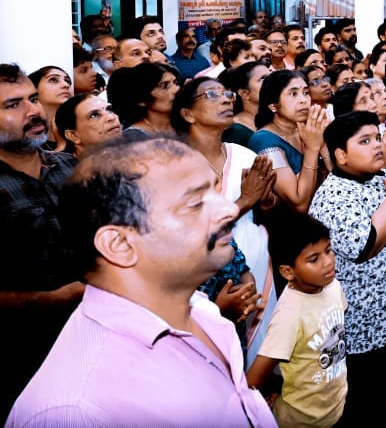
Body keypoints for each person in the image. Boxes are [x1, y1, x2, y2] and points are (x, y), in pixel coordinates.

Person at [8, 137, 274, 427]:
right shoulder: (75, 409)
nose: (230, 210)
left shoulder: (200, 309)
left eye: (216, 191)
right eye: (196, 203)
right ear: (119, 243)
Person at [311, 111, 386, 428]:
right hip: (367, 331)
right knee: (362, 406)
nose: (377, 145)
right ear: (340, 155)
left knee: (377, 400)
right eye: (365, 141)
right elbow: (366, 245)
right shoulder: (334, 195)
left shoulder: (380, 179)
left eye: (377, 137)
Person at [172, 77, 278, 357]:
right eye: (211, 95)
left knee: (261, 351)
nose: (226, 99)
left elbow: (266, 208)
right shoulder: (175, 164)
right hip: (206, 271)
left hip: (253, 260)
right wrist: (246, 199)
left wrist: (265, 199)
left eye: (226, 93)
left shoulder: (242, 154)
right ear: (187, 114)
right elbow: (192, 227)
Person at [0, 64, 84, 415]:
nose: (33, 111)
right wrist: (53, 299)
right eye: (12, 105)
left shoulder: (73, 168)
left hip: (91, 345)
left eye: (33, 99)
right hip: (18, 362)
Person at [246, 213, 348, 428]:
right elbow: (254, 379)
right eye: (314, 259)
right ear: (288, 271)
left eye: (328, 250)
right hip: (301, 420)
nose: (328, 261)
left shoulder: (333, 286)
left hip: (334, 407)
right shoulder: (289, 314)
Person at [248, 69, 330, 215]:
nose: (303, 100)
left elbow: (334, 176)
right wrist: (312, 149)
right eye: (293, 94)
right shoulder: (264, 140)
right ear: (273, 105)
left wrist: (322, 143)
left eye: (306, 93)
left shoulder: (308, 129)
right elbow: (299, 203)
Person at [106, 62, 182, 136]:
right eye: (164, 86)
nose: (176, 89)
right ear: (142, 100)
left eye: (175, 83)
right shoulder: (134, 137)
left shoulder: (183, 124)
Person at [219, 60, 271, 147]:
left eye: (271, 77)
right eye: (263, 79)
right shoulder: (234, 132)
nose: (272, 82)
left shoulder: (277, 119)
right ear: (245, 93)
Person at [54, 93, 122, 158]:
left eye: (110, 110)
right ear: (73, 136)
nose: (111, 117)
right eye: (94, 115)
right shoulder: (61, 169)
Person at [28, 65, 73, 147]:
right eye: (53, 80)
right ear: (34, 90)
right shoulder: (25, 139)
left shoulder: (80, 130)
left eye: (67, 81)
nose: (66, 85)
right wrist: (61, 147)